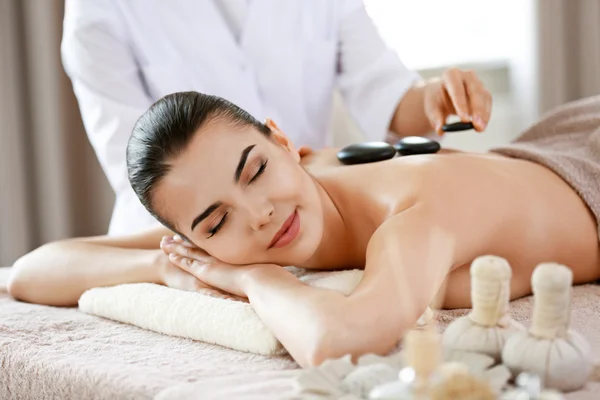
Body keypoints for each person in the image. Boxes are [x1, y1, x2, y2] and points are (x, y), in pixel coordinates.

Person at [9, 92, 599, 368]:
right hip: (542, 151)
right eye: (216, 222)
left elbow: (335, 341)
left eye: (257, 170)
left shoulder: (415, 214)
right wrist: (168, 266)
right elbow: (33, 272)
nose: (258, 213)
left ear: (284, 142)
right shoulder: (244, 226)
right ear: (197, 240)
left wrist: (257, 281)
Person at [61, 0, 493, 236]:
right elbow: (135, 172)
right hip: (189, 238)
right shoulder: (100, 11)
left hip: (311, 218)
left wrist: (436, 98)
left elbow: (386, 93)